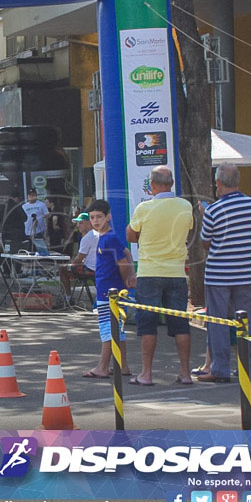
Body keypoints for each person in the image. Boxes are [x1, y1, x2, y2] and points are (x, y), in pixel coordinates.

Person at [126, 165, 194, 386]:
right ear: (172, 184)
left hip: (149, 272)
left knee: (147, 324)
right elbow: (189, 229)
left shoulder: (144, 208)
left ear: (152, 185)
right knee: (180, 324)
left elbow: (131, 235)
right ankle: (185, 372)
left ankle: (146, 373)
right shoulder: (185, 206)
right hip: (176, 272)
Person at [198, 164, 251, 383]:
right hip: (245, 273)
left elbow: (206, 243)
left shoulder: (213, 211)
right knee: (249, 322)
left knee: (218, 322)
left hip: (218, 274)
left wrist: (205, 213)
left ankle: (220, 368)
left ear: (218, 183)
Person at [82, 200, 135, 378]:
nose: (96, 221)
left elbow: (122, 261)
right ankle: (123, 365)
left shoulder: (109, 238)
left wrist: (125, 277)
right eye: (92, 218)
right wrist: (129, 276)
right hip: (110, 289)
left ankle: (102, 367)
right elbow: (126, 252)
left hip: (109, 291)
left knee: (107, 329)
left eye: (99, 217)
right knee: (117, 329)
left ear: (108, 217)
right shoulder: (105, 237)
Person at [60, 212, 98, 305]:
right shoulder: (97, 234)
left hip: (91, 269)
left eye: (81, 223)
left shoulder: (88, 237)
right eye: (78, 223)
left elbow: (79, 259)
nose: (78, 225)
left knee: (62, 268)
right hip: (98, 267)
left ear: (89, 223)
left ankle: (68, 298)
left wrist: (71, 264)